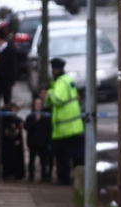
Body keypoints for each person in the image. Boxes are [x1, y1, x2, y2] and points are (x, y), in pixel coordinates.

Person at [46, 57, 85, 185]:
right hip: (73, 125)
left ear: (55, 70)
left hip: (64, 128)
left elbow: (57, 99)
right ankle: (80, 179)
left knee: (61, 155)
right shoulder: (67, 80)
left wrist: (50, 92)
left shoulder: (61, 82)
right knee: (76, 155)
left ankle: (64, 178)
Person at [24, 97, 53, 182]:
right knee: (31, 160)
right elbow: (27, 127)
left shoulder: (46, 116)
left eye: (40, 104)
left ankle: (44, 176)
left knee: (43, 160)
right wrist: (35, 121)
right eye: (36, 104)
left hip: (43, 142)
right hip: (32, 142)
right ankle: (31, 176)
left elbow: (49, 129)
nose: (38, 106)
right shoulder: (30, 116)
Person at [0, 23, 17, 106]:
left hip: (6, 80)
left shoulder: (10, 49)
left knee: (7, 100)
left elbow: (14, 65)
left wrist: (12, 80)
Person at [0, 103, 26, 180]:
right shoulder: (6, 120)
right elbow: (6, 132)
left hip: (16, 144)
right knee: (9, 158)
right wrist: (15, 132)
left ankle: (18, 174)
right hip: (8, 144)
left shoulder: (17, 120)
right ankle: (8, 174)